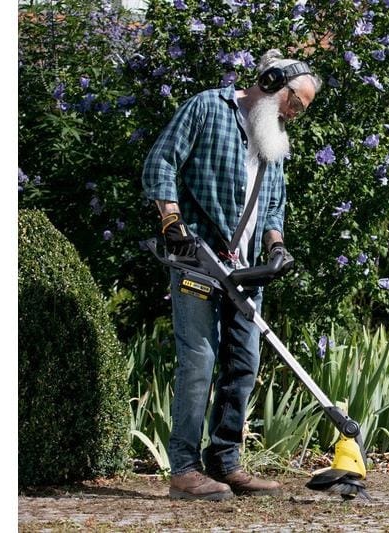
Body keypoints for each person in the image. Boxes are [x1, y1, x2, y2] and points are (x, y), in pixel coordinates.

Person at [142, 49, 322, 501]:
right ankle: (184, 469)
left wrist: (276, 247)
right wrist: (171, 221)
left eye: (302, 109)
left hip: (245, 271)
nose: (295, 114)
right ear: (272, 82)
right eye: (295, 102)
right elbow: (161, 161)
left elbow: (274, 203)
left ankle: (226, 462)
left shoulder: (273, 136)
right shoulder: (207, 107)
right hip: (197, 260)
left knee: (244, 364)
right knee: (199, 361)